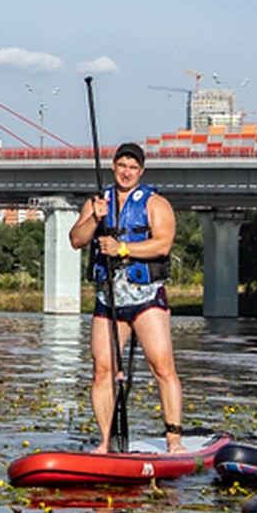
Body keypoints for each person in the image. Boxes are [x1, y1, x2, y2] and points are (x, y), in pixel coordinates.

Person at [69, 142, 184, 454]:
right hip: (109, 300)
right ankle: (105, 442)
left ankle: (174, 441)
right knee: (102, 369)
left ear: (141, 171)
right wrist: (94, 219)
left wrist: (122, 249)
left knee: (162, 366)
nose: (126, 172)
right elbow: (76, 240)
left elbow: (162, 244)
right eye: (122, 166)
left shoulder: (156, 203)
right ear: (114, 167)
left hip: (145, 297)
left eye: (133, 167)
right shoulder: (97, 202)